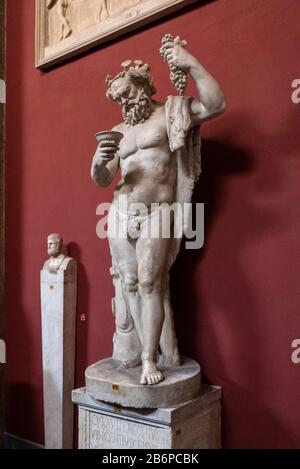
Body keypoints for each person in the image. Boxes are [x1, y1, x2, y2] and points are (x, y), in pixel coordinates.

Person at [91, 40, 226, 385]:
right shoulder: (120, 132)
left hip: (158, 212)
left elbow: (216, 103)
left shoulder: (170, 113)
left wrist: (190, 61)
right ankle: (137, 350)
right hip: (121, 210)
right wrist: (98, 161)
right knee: (130, 283)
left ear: (142, 87)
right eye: (117, 100)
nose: (122, 104)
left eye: (126, 96)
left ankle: (151, 359)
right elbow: (103, 179)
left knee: (152, 282)